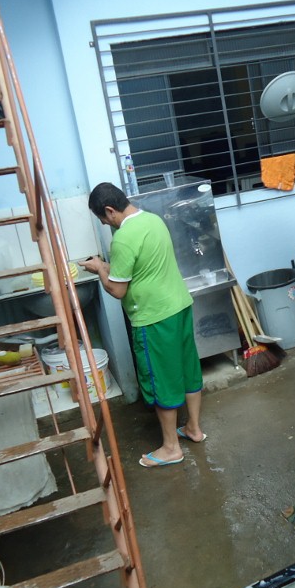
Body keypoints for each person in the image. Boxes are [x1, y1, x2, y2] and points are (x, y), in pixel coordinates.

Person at [81, 182, 205, 468]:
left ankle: (171, 448)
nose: (104, 224)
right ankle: (193, 429)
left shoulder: (123, 238)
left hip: (154, 318)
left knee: (161, 380)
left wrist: (99, 268)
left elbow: (117, 289)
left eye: (102, 218)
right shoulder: (153, 220)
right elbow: (136, 270)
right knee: (187, 369)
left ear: (110, 210)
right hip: (179, 306)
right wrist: (106, 266)